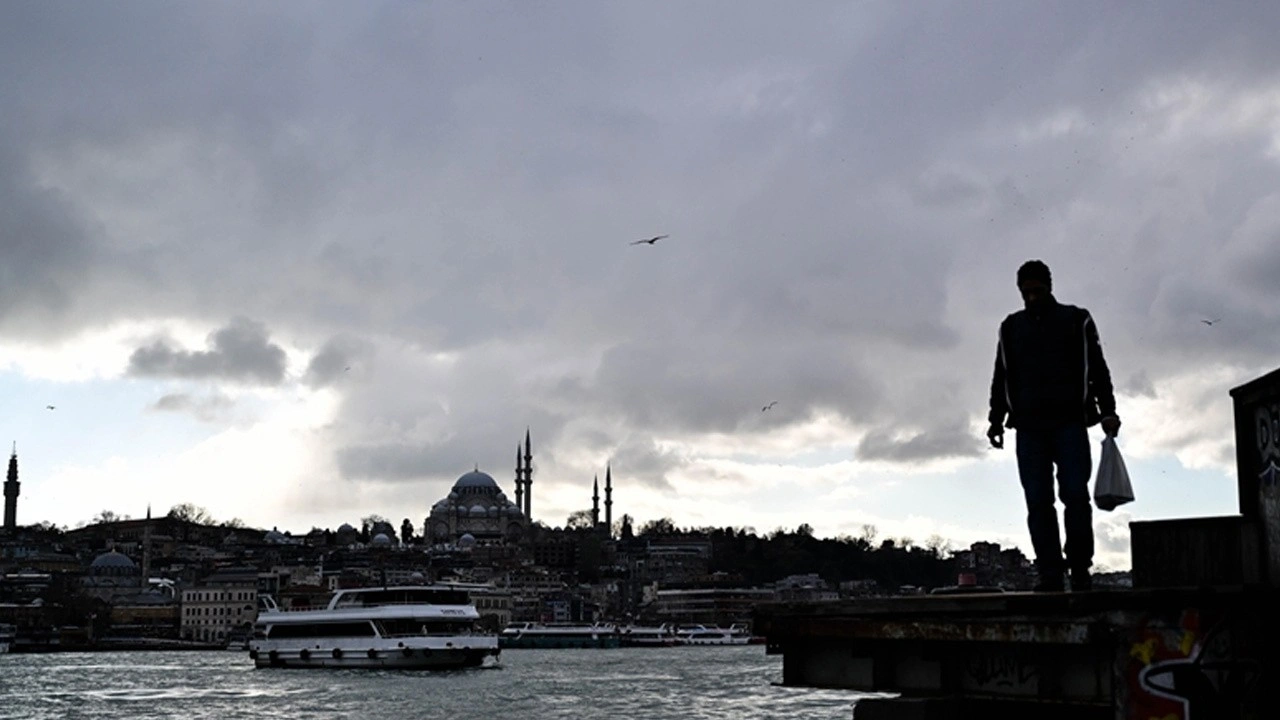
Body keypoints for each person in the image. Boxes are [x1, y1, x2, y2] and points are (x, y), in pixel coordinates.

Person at [987, 260, 1121, 592]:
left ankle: (1079, 570)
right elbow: (1001, 375)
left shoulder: (1077, 320)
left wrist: (1109, 411)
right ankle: (1050, 573)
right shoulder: (1010, 327)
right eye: (1026, 292)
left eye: (1037, 290)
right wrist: (995, 419)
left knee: (1075, 496)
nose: (1031, 297)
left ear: (1049, 286)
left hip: (1069, 423)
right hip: (1029, 427)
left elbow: (1098, 369)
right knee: (1038, 500)